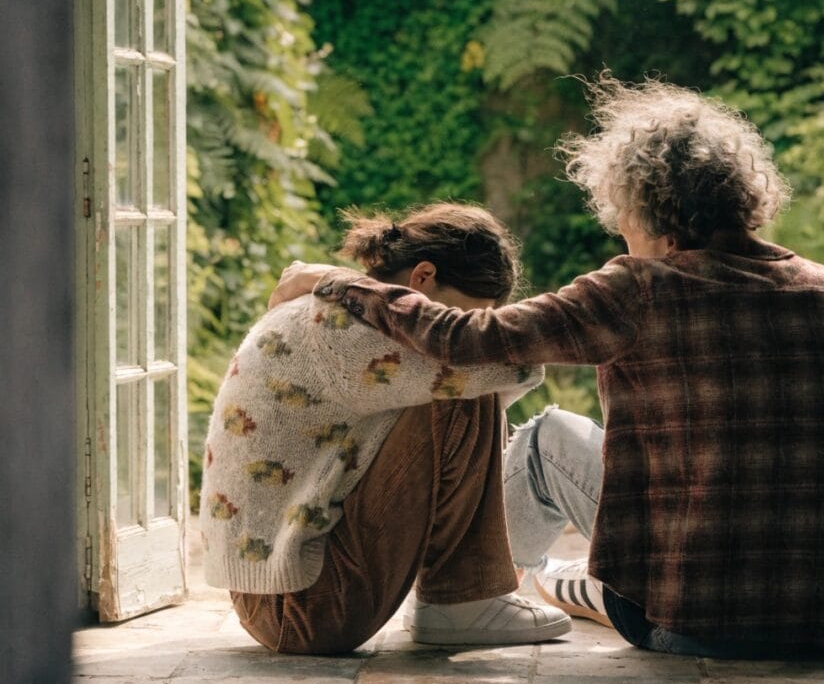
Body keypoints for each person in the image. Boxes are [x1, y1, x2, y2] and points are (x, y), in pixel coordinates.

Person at [274, 75, 824, 656]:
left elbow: (462, 338)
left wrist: (343, 283)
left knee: (544, 440)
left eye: (623, 216)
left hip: (692, 622)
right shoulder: (820, 286)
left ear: (652, 216)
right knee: (589, 557)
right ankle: (547, 583)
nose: (620, 232)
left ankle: (474, 600)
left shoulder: (640, 286)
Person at [200, 203, 571, 655]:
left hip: (280, 598)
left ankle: (458, 602)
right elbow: (516, 365)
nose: (454, 331)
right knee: (461, 386)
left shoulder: (334, 307)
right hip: (305, 608)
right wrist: (458, 337)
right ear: (422, 278)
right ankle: (460, 603)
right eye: (457, 319)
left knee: (457, 384)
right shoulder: (346, 327)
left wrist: (338, 279)